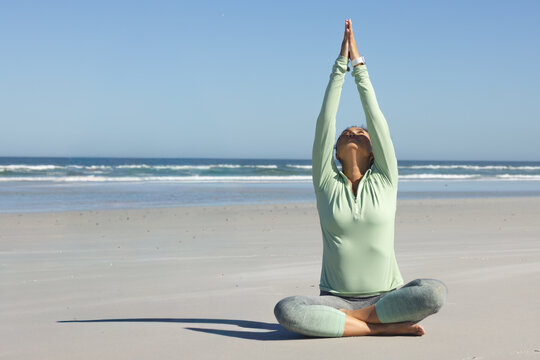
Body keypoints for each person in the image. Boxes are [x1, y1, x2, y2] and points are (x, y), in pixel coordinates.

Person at [273, 19, 448, 337]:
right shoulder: (326, 182)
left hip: (388, 296)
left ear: (373, 151)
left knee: (434, 292)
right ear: (336, 152)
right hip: (336, 299)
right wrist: (339, 66)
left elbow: (376, 118)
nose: (354, 132)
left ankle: (354, 322)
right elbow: (325, 120)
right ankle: (377, 329)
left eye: (361, 133)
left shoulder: (385, 179)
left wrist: (359, 65)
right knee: (286, 310)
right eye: (346, 133)